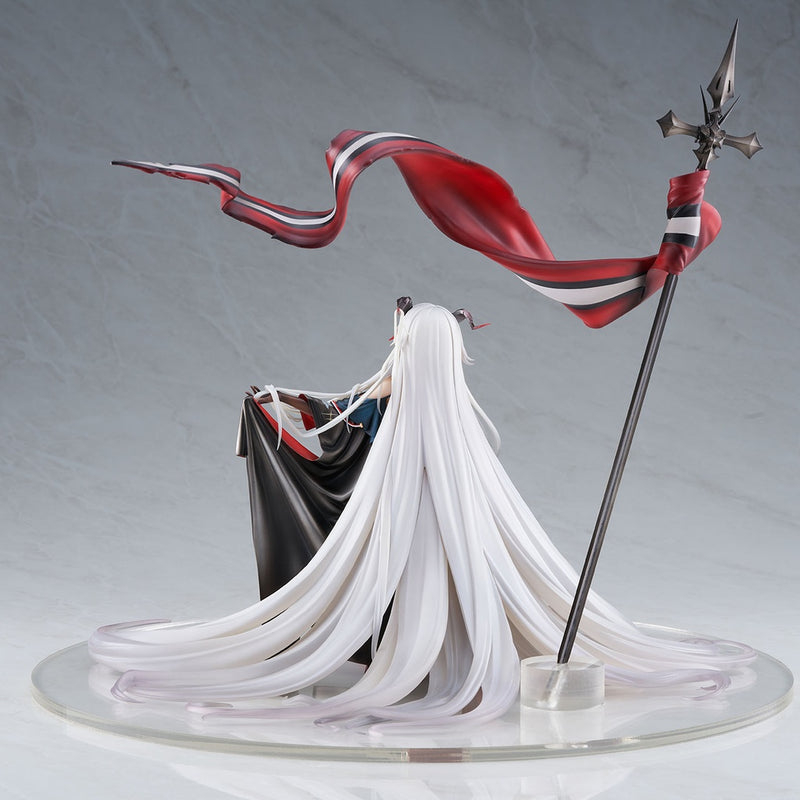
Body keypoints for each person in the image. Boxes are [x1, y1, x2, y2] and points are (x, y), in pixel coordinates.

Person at [89, 302, 752, 732]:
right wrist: (280, 402)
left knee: (453, 587)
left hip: (443, 519)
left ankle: (437, 659)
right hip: (402, 517)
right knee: (413, 587)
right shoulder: (412, 390)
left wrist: (287, 404)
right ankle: (418, 655)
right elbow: (340, 404)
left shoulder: (432, 402)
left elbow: (343, 405)